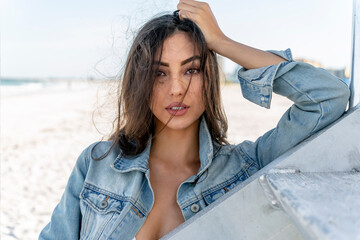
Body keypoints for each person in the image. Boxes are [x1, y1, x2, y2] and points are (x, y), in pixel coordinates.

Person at [39, 0, 350, 239]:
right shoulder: (98, 164)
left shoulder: (246, 168)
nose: (176, 89)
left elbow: (327, 98)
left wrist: (221, 42)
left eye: (192, 69)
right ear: (141, 82)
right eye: (159, 73)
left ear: (209, 77)